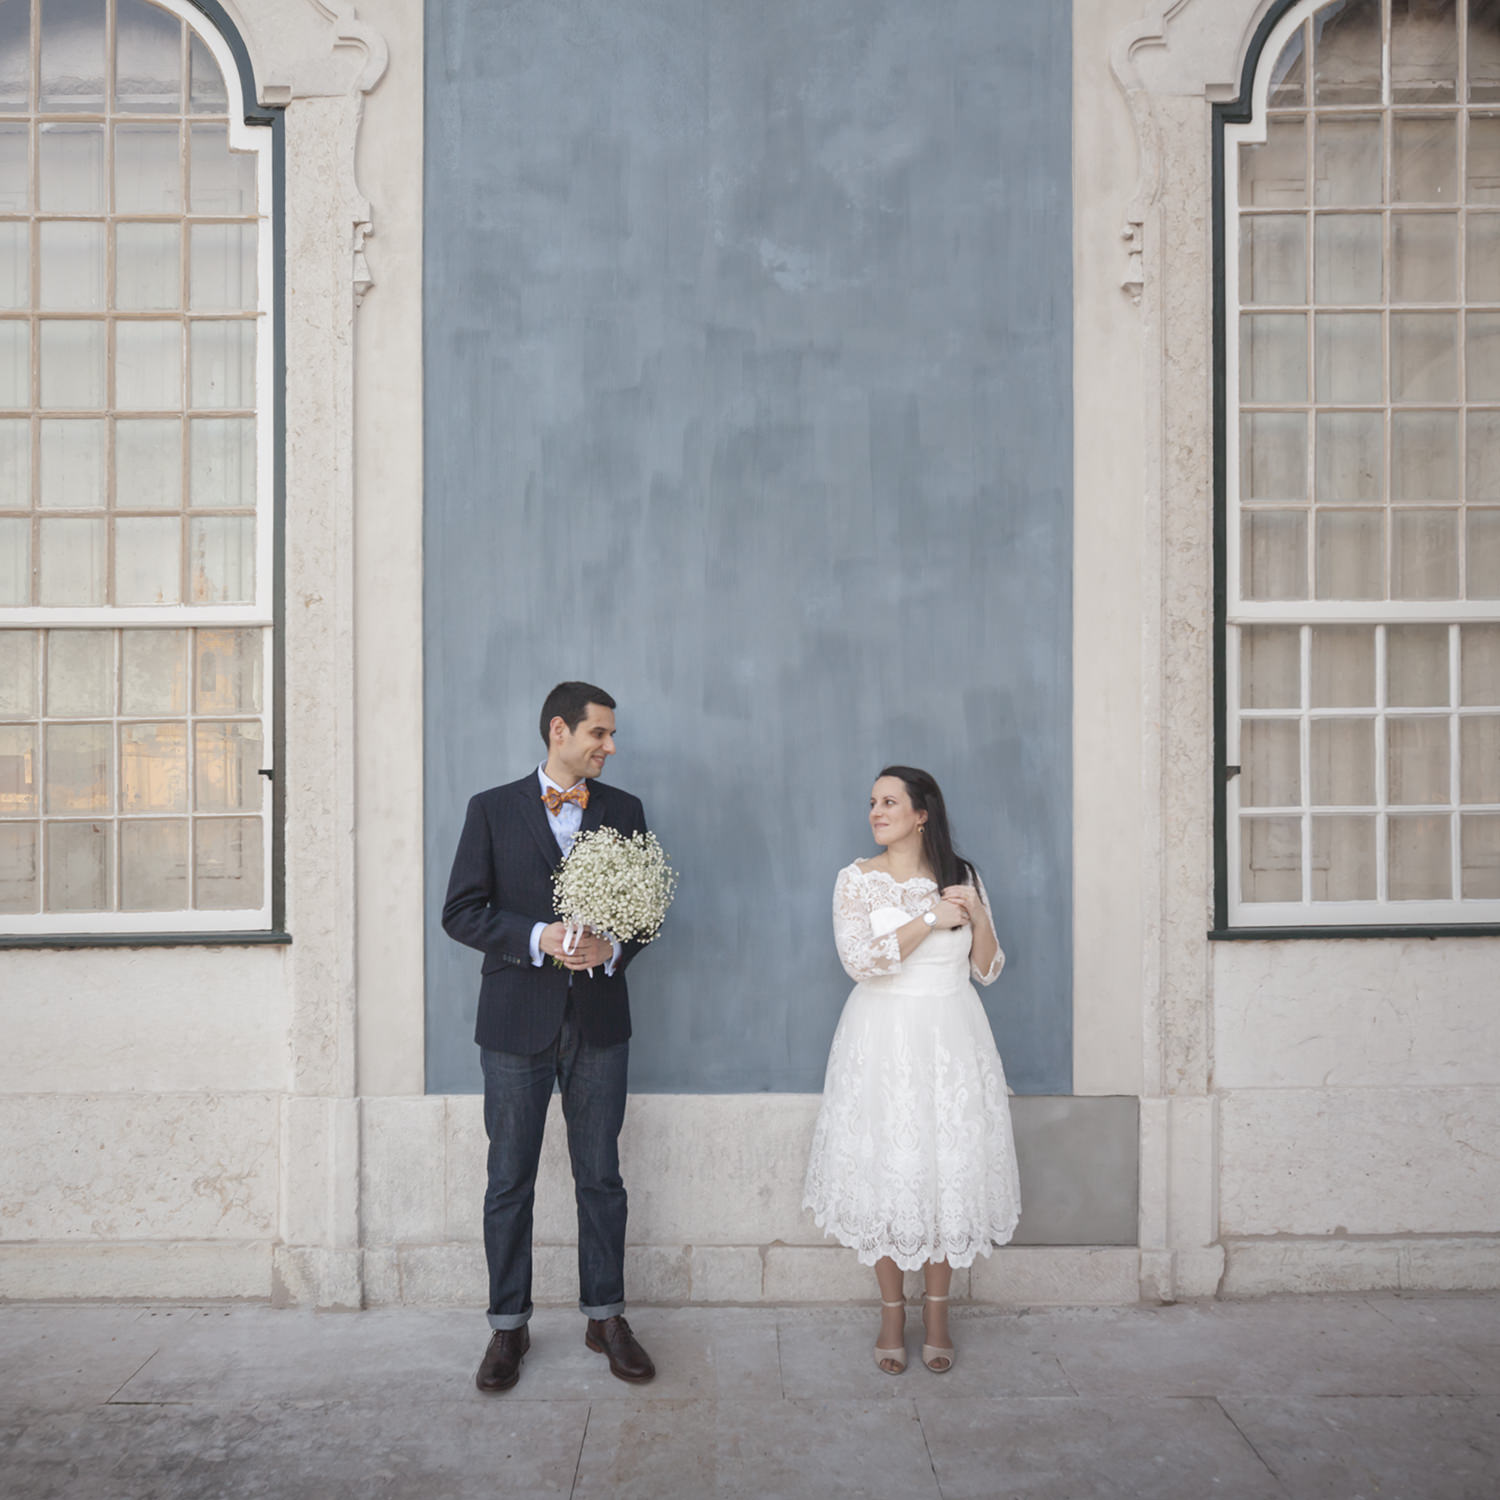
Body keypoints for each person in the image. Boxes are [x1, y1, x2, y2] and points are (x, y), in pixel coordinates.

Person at [442, 681, 656, 1393]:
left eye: (612, 735)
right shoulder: (492, 808)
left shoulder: (624, 811)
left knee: (602, 1178)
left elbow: (649, 913)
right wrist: (537, 936)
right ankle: (508, 1327)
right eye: (600, 733)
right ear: (559, 731)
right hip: (513, 1023)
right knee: (509, 1182)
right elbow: (461, 912)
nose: (611, 746)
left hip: (600, 1023)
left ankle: (606, 1317)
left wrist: (615, 949)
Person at [803, 765, 1021, 1375]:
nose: (876, 811)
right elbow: (859, 961)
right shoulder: (857, 880)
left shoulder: (962, 877)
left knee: (943, 1169)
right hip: (881, 1038)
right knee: (888, 1169)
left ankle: (940, 1314)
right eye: (872, 802)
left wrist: (975, 913)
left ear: (922, 813)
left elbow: (990, 968)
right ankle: (893, 1314)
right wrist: (929, 919)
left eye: (889, 801)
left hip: (952, 1036)